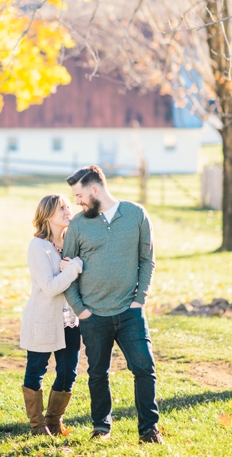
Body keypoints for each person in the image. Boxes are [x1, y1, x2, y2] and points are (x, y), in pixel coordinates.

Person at [62, 165, 162, 444]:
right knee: (97, 373)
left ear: (95, 189)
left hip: (130, 312)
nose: (77, 202)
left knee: (144, 367)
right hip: (93, 315)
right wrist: (80, 309)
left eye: (80, 195)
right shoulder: (79, 225)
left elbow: (147, 259)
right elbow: (67, 270)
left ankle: (148, 429)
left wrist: (140, 299)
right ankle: (101, 428)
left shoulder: (136, 214)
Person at [19, 194, 84, 436]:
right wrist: (75, 268)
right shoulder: (38, 247)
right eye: (62, 209)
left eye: (68, 207)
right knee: (36, 370)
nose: (69, 212)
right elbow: (51, 287)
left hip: (70, 321)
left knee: (69, 373)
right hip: (43, 319)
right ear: (47, 216)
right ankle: (37, 425)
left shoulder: (71, 244)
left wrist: (76, 266)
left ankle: (54, 421)